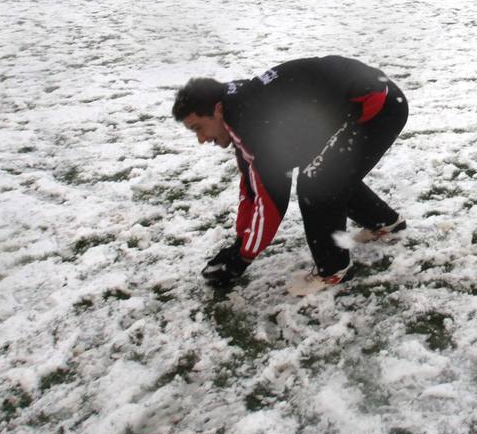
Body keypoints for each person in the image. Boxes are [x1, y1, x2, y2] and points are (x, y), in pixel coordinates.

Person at [173, 56, 408, 294]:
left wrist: (240, 258)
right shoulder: (237, 113)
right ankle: (385, 223)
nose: (201, 140)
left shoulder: (251, 123)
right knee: (325, 172)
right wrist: (240, 244)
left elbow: (271, 202)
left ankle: (334, 271)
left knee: (318, 183)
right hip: (349, 105)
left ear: (217, 110)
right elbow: (253, 186)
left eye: (198, 128)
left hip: (376, 106)